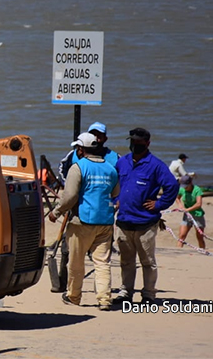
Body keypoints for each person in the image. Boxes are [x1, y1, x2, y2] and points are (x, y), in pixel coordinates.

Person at [48, 132, 119, 311]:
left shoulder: (78, 167)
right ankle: (104, 299)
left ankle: (74, 296)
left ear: (81, 149)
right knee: (102, 262)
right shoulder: (110, 168)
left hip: (82, 221)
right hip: (105, 221)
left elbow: (70, 196)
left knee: (76, 261)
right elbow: (115, 193)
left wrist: (56, 212)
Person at [113, 127, 179, 305]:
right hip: (124, 221)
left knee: (147, 262)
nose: (134, 145)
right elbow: (115, 183)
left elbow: (172, 186)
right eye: (132, 142)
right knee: (126, 261)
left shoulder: (156, 165)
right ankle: (126, 291)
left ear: (147, 143)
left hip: (145, 223)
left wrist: (159, 204)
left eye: (138, 143)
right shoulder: (123, 162)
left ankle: (148, 294)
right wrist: (117, 199)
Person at [176, 175, 205, 250]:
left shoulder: (197, 190)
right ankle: (178, 252)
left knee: (199, 237)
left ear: (191, 183)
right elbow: (177, 198)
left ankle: (203, 251)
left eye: (186, 186)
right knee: (182, 235)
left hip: (197, 215)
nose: (185, 188)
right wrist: (180, 205)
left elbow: (199, 204)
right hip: (187, 216)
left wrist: (188, 209)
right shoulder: (182, 189)